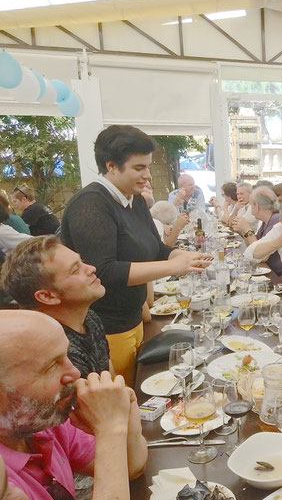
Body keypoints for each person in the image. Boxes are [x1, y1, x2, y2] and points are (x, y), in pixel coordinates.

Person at [60, 125, 211, 387]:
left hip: (134, 319)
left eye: (148, 167)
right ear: (111, 166)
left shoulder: (136, 201)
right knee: (125, 396)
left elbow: (156, 250)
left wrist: (180, 255)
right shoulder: (91, 204)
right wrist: (173, 267)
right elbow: (104, 272)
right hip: (107, 326)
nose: (147, 176)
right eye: (139, 168)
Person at [0, 310, 147, 500]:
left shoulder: (40, 420)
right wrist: (111, 429)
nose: (75, 372)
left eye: (66, 356)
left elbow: (132, 465)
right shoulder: (5, 482)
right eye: (51, 366)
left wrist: (124, 411)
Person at [0, 235, 112, 378]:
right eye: (75, 270)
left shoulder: (89, 317)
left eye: (82, 261)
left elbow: (108, 372)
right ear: (47, 296)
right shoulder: (51, 356)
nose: (91, 268)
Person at [234, 186, 282, 277]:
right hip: (268, 270)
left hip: (276, 275)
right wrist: (243, 231)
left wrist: (247, 229)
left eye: (251, 205)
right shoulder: (265, 221)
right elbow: (251, 248)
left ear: (257, 206)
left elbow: (262, 257)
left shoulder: (276, 220)